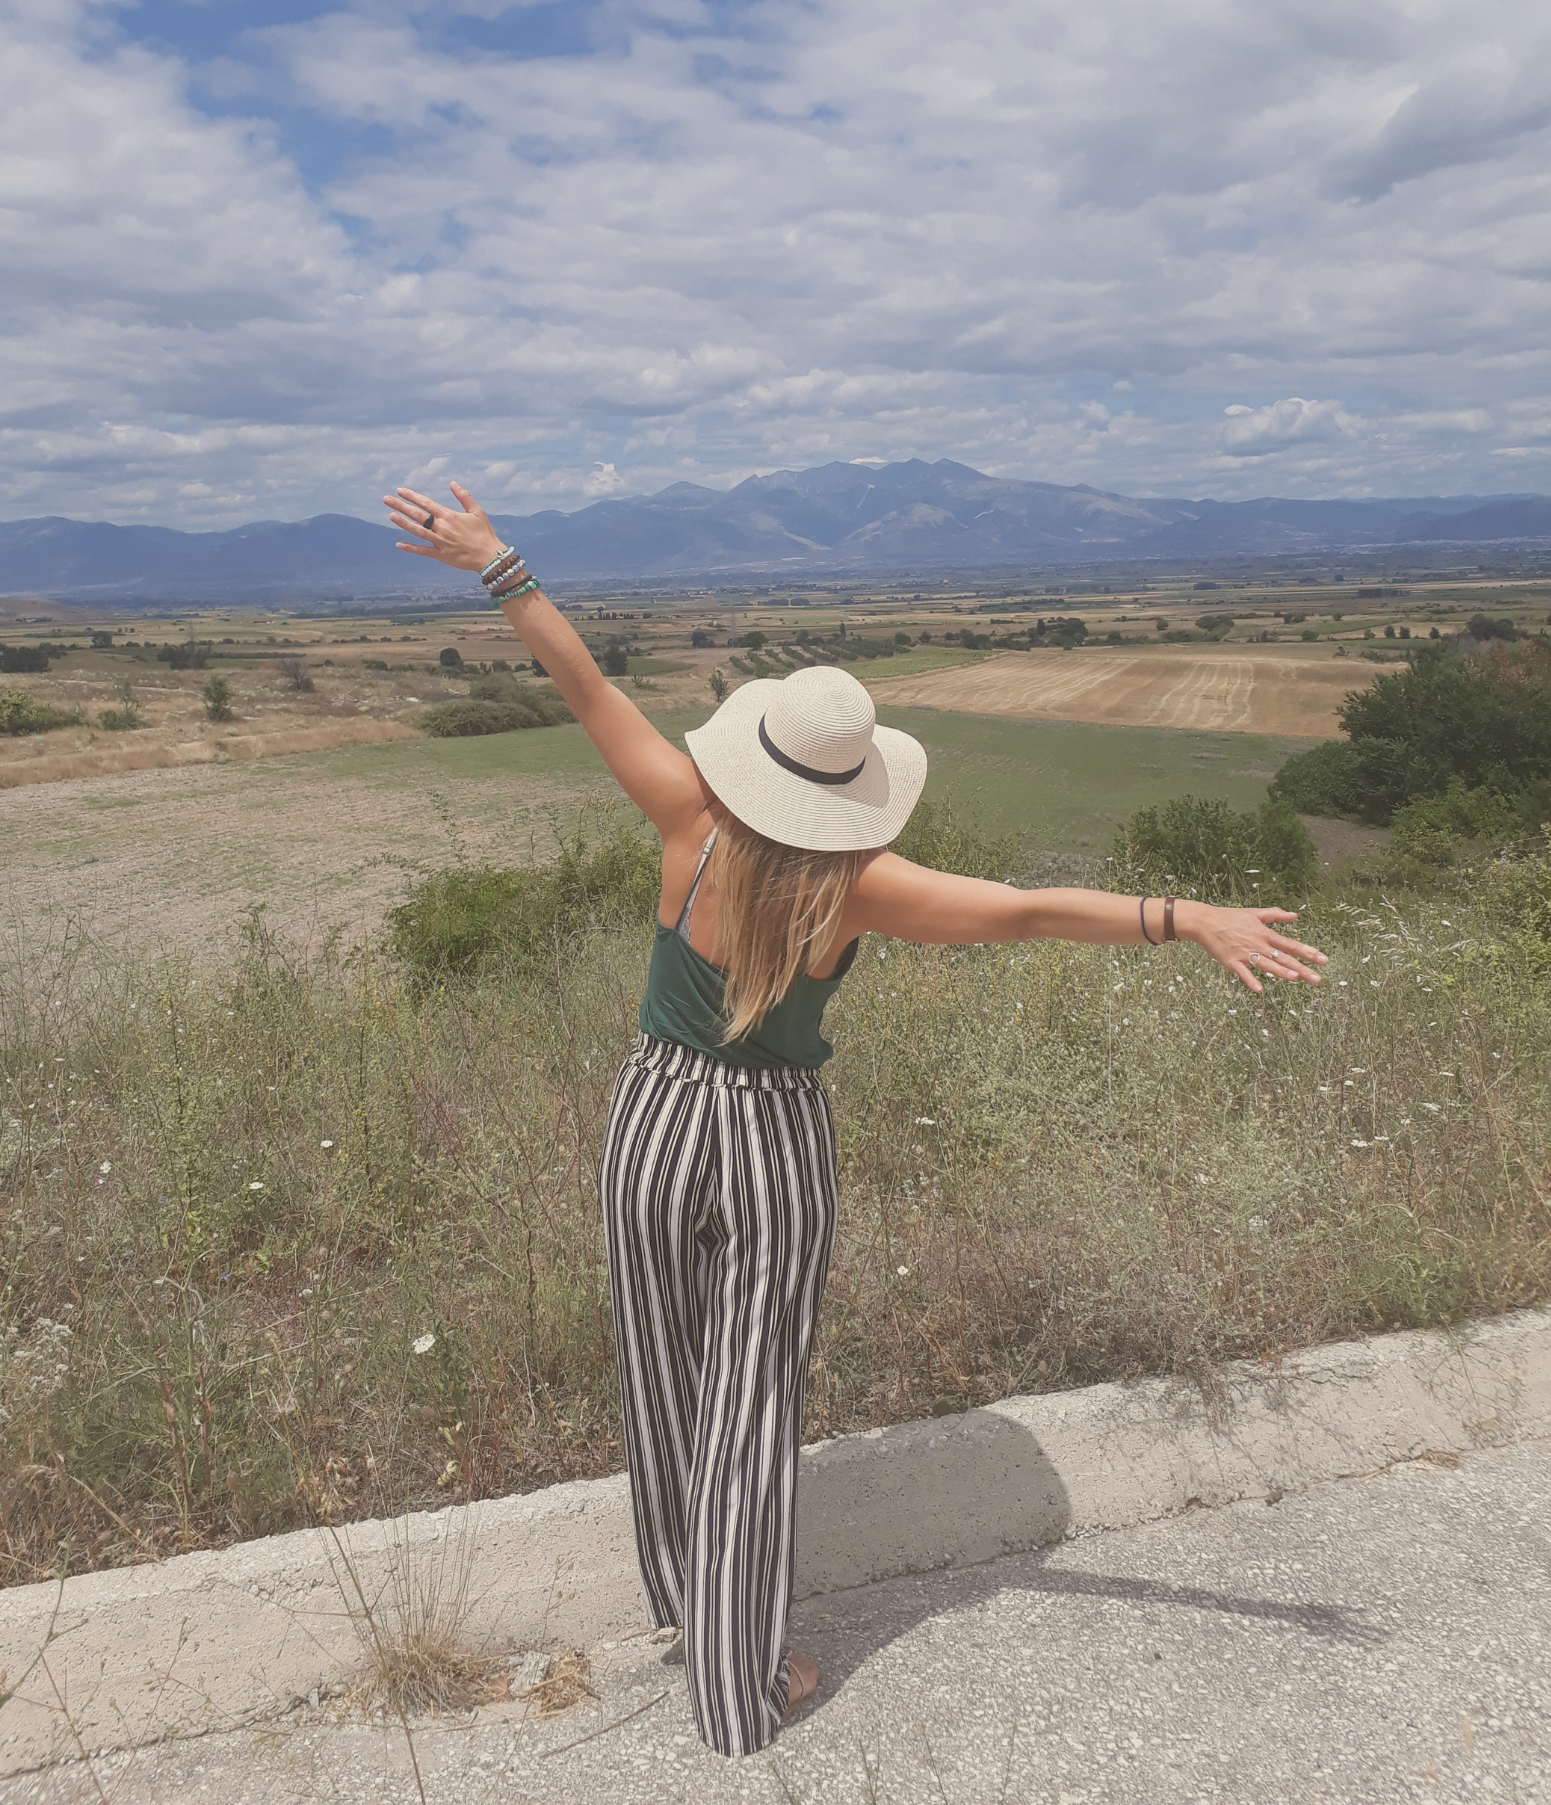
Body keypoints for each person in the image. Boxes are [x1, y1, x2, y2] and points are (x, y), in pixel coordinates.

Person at [383, 481, 1327, 1758]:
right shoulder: (866, 887)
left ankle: (684, 1605)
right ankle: (738, 1687)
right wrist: (1187, 917)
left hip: (653, 1119)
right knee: (750, 1406)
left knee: (661, 1377)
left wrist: (497, 562)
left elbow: (583, 683)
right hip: (771, 1136)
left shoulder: (683, 816)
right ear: (850, 787)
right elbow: (1032, 907)